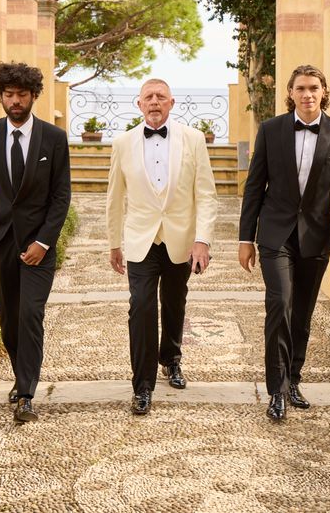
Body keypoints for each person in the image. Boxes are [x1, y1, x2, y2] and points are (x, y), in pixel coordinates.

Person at [238, 64, 330, 420]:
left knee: (302, 313)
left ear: (323, 93)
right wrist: (246, 238)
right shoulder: (271, 130)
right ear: (290, 93)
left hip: (317, 239)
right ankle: (275, 389)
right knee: (280, 303)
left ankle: (293, 379)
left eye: (314, 88)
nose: (307, 94)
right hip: (275, 234)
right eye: (301, 88)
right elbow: (254, 186)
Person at [0, 61, 71, 423]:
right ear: (1, 97)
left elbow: (61, 196)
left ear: (34, 95)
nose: (15, 101)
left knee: (30, 314)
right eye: (9, 95)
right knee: (8, 319)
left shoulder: (53, 137)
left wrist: (44, 242)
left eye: (22, 94)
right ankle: (22, 377)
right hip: (0, 241)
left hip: (39, 247)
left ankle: (26, 394)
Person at [106, 78, 218, 415]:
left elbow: (206, 195)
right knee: (140, 306)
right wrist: (114, 242)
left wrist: (202, 240)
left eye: (161, 97)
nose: (154, 102)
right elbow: (115, 197)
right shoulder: (123, 142)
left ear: (171, 103)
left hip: (180, 239)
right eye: (148, 97)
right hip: (141, 240)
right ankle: (142, 385)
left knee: (173, 303)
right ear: (138, 105)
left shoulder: (194, 139)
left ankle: (171, 358)